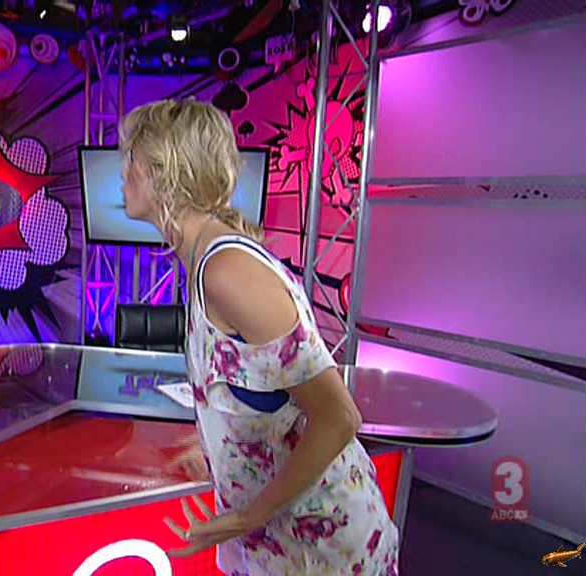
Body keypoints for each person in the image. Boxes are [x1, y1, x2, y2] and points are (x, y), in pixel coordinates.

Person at [120, 99, 399, 575]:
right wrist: (219, 447)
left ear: (169, 173)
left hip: (323, 547)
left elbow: (338, 418)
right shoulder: (205, 261)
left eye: (133, 159)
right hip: (281, 542)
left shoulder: (227, 271)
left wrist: (248, 516)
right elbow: (264, 398)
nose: (124, 173)